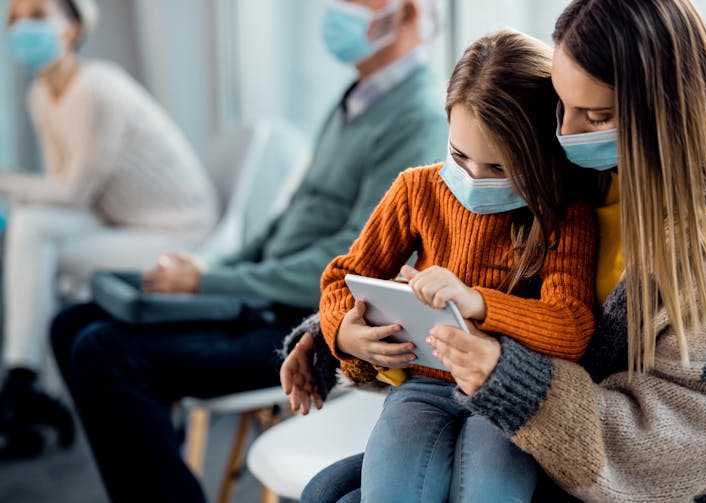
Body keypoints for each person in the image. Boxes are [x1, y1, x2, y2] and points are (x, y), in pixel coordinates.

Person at [282, 0, 706, 501]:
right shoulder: (584, 175)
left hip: (630, 474)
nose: (565, 136)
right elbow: (471, 278)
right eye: (559, 107)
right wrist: (338, 329)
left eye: (595, 116)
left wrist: (510, 379)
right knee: (328, 490)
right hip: (526, 420)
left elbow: (679, 445)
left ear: (663, 109)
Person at [50, 0, 448, 501]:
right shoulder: (359, 97)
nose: (335, 10)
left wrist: (209, 284)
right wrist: (210, 268)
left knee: (103, 354)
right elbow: (288, 222)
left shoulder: (416, 115)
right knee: (70, 324)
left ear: (407, 13)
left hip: (300, 321)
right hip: (259, 298)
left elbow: (351, 261)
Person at [316, 29, 603, 502]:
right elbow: (338, 282)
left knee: (491, 491)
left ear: (540, 157)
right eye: (458, 155)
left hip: (507, 395)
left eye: (498, 170)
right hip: (421, 388)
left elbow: (572, 327)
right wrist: (345, 337)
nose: (471, 179)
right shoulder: (417, 189)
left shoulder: (562, 212)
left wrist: (477, 302)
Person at [0, 0, 219, 459]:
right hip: (120, 220)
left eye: (38, 16)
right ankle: (28, 384)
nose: (23, 28)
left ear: (74, 29)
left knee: (35, 238)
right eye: (15, 18)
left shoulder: (97, 89)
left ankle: (27, 385)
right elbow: (61, 191)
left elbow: (72, 190)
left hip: (177, 231)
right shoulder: (40, 94)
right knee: (32, 230)